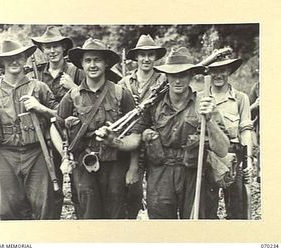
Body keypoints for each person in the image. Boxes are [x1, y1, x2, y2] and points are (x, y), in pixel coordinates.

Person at [96, 47, 230, 219]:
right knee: (161, 226)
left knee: (196, 225)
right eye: (173, 75)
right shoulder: (153, 105)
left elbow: (222, 149)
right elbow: (136, 138)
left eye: (183, 74)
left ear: (191, 76)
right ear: (166, 76)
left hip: (194, 174)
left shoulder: (204, 105)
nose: (178, 80)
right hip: (160, 174)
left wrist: (210, 120)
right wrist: (114, 141)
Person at [57, 38, 136, 219]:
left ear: (106, 63)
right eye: (88, 60)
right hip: (84, 166)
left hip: (116, 166)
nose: (92, 65)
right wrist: (65, 156)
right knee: (88, 217)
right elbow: (58, 125)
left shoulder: (121, 94)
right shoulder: (72, 96)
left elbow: (134, 132)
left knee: (115, 217)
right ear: (82, 65)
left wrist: (133, 168)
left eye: (97, 60)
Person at [0, 40, 58, 220]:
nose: (14, 61)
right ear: (2, 62)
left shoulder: (40, 88)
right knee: (9, 210)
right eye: (9, 58)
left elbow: (59, 117)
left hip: (37, 153)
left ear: (25, 58)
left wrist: (41, 108)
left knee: (44, 208)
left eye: (18, 57)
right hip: (4, 154)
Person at [31, 26, 86, 219]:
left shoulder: (77, 72)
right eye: (47, 47)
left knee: (80, 187)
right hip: (44, 139)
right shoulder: (36, 75)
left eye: (56, 46)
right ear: (43, 50)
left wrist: (73, 87)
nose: (52, 51)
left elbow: (88, 104)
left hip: (74, 137)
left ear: (63, 48)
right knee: (51, 188)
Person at [118, 34, 166, 219]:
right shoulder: (124, 83)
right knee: (131, 192)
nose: (146, 59)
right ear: (136, 57)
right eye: (142, 55)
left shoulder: (164, 82)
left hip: (155, 143)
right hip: (129, 145)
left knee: (157, 195)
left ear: (155, 57)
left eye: (151, 55)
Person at [207, 57, 253, 219]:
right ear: (209, 73)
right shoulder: (201, 98)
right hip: (209, 155)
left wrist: (248, 160)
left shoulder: (241, 98)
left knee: (237, 206)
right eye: (214, 71)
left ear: (229, 72)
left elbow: (246, 130)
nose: (218, 75)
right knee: (206, 207)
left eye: (222, 70)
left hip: (235, 154)